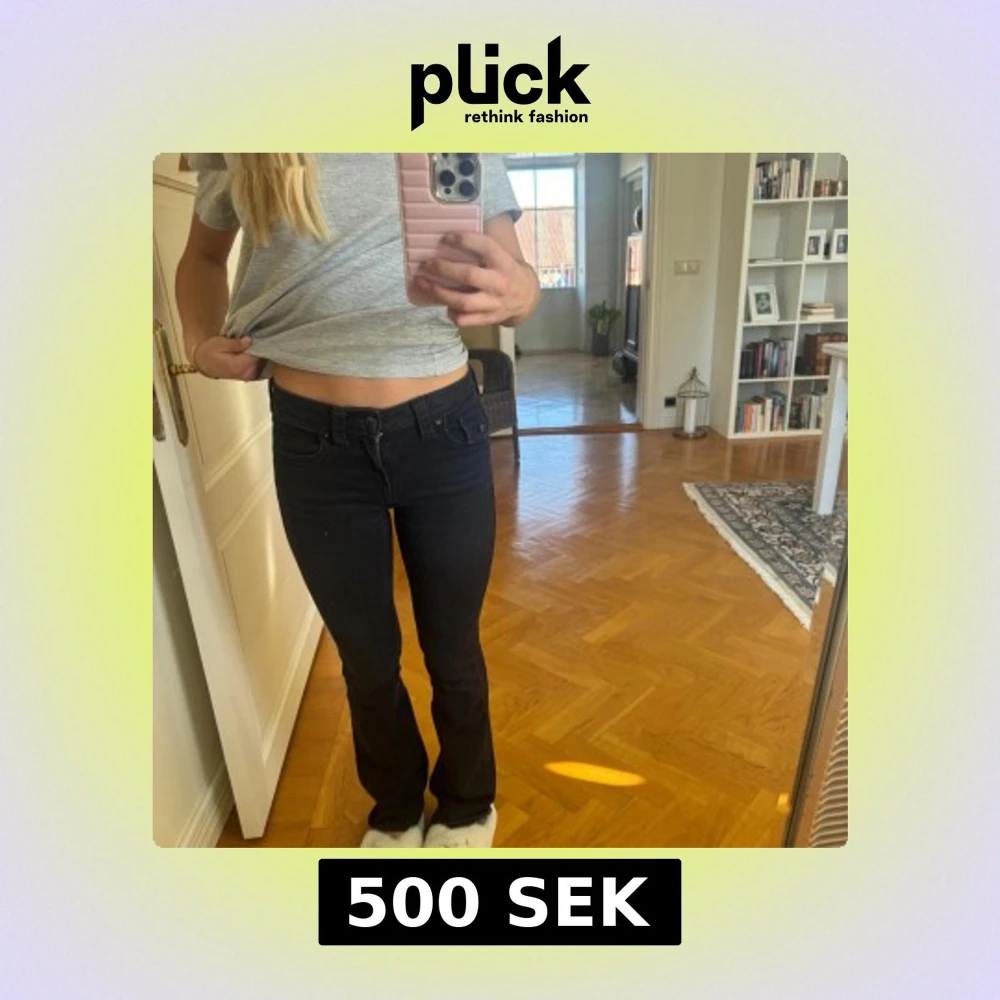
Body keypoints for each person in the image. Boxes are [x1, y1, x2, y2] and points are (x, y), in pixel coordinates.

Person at [175, 154, 539, 847]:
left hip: (444, 430)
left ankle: (468, 805)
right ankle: (395, 809)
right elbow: (201, 258)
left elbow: (518, 278)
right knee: (366, 660)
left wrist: (521, 292)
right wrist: (197, 343)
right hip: (315, 444)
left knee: (453, 650)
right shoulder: (246, 130)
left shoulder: (447, 116)